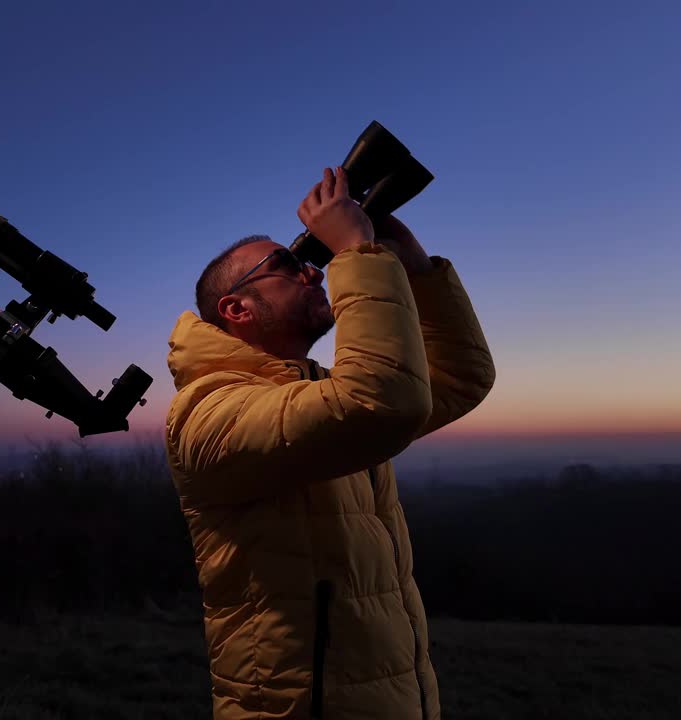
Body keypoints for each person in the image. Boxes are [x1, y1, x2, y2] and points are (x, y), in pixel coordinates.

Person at [163, 166, 495, 719]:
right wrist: (355, 252)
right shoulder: (208, 413)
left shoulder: (319, 392)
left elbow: (459, 378)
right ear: (236, 309)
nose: (312, 272)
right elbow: (382, 399)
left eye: (310, 261)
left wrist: (412, 266)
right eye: (287, 265)